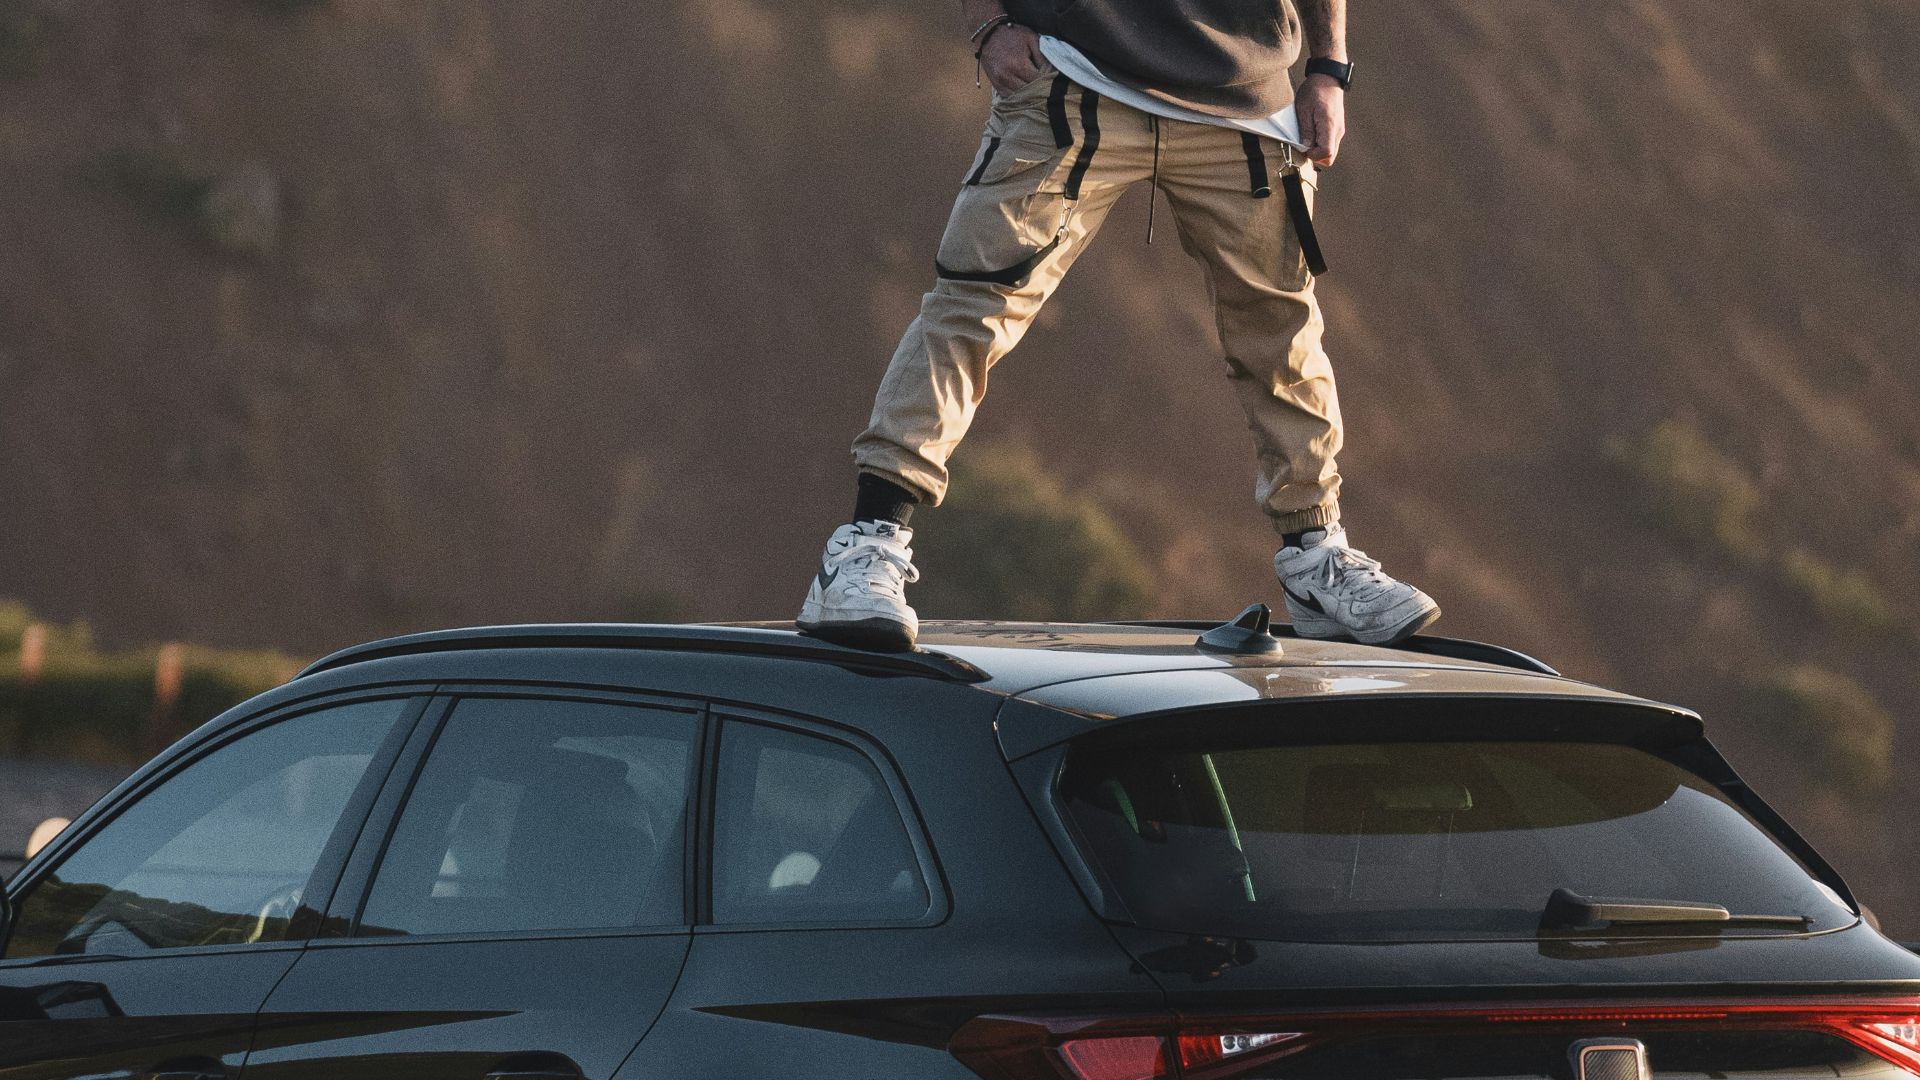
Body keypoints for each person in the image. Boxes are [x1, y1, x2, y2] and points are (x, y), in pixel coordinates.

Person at [798, 0, 1440, 651]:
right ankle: (863, 549)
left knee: (1283, 336)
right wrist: (989, 23)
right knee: (977, 306)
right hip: (1075, 83)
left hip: (1246, 102)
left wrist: (1328, 71)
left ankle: (1317, 562)